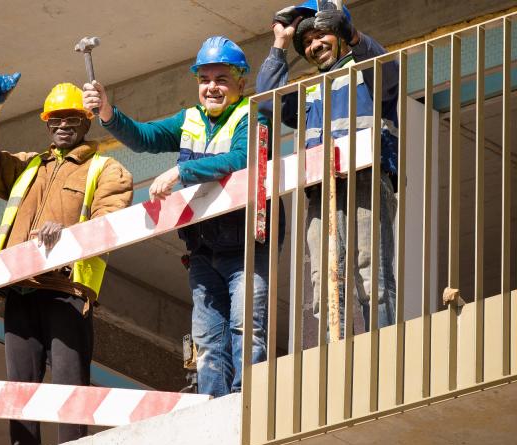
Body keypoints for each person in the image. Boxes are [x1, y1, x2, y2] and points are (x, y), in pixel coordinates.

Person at [82, 36, 283, 398]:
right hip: (204, 252)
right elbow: (146, 137)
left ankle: (244, 402)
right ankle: (212, 406)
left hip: (246, 248)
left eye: (222, 79)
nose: (212, 87)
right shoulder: (189, 119)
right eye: (205, 80)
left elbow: (241, 159)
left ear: (241, 82)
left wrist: (181, 173)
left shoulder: (252, 115)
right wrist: (108, 112)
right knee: (208, 341)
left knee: (246, 330)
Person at [0, 74, 133, 445]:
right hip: (21, 291)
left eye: (71, 119)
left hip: (66, 293)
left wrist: (70, 233)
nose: (62, 126)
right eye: (55, 120)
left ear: (86, 122)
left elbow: (110, 221)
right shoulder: (29, 167)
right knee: (18, 391)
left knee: (70, 387)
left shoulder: (106, 170)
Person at [256, 0, 399, 335]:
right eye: (306, 42)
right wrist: (279, 44)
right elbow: (266, 104)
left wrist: (352, 34)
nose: (313, 45)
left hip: (367, 180)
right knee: (324, 283)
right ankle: (335, 363)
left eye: (321, 34)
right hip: (322, 193)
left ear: (340, 32)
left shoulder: (367, 70)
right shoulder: (308, 93)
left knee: (371, 275)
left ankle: (383, 353)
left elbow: (389, 75)